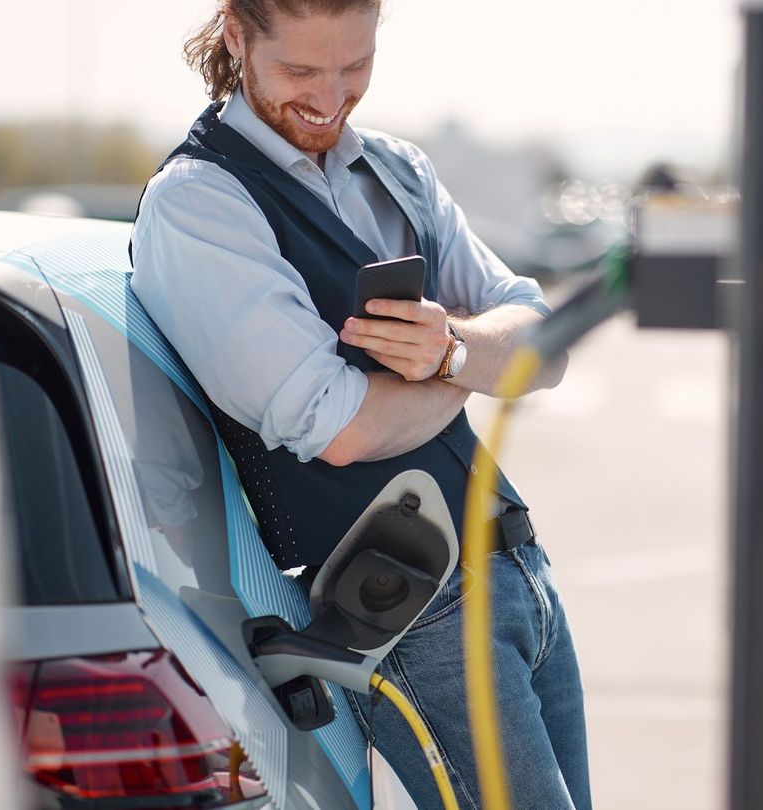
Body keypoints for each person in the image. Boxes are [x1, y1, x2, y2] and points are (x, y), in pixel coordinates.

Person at [128, 2, 591, 808]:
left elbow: (540, 342)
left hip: (520, 571)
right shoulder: (199, 203)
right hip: (416, 617)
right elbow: (341, 428)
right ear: (237, 37)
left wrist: (447, 351)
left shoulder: (396, 168)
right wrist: (469, 364)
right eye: (302, 70)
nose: (331, 96)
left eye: (355, 66)